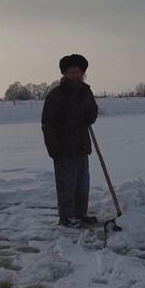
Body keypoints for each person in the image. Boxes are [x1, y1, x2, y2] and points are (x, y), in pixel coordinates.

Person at [41, 54, 99, 228]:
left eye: (78, 72)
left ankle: (80, 213)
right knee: (67, 184)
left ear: (82, 73)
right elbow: (48, 123)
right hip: (63, 148)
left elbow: (93, 111)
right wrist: (53, 148)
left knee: (83, 184)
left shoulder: (86, 91)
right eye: (71, 72)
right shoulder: (56, 95)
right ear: (65, 74)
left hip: (82, 146)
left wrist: (87, 117)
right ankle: (65, 217)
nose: (75, 75)